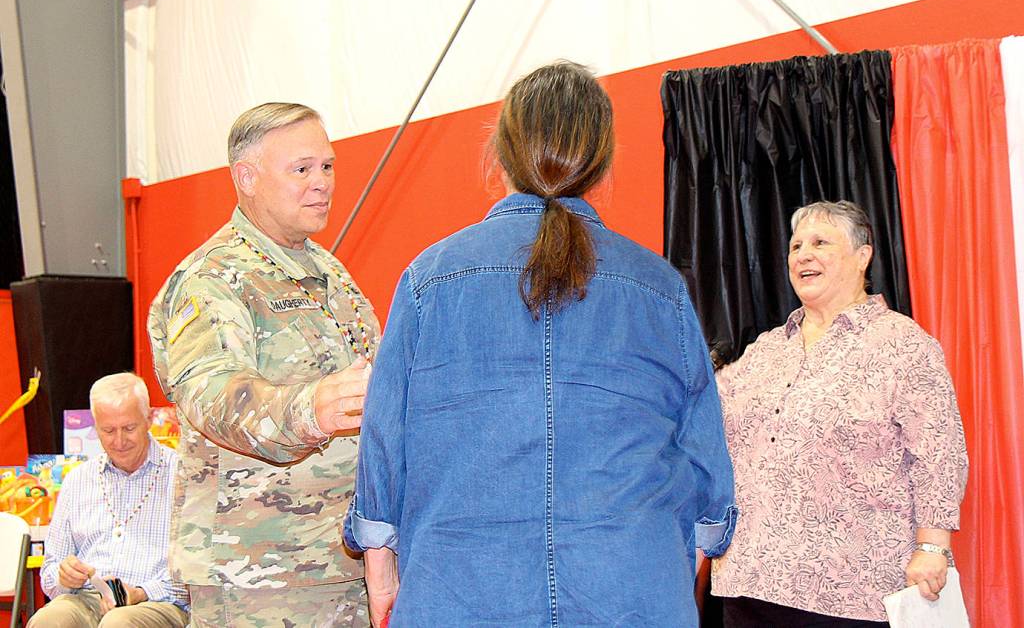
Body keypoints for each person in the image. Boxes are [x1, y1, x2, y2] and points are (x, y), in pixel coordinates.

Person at [344, 61, 737, 627]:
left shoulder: (430, 279)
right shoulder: (660, 290)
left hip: (462, 593)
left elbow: (384, 445)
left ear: (500, 155)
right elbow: (705, 474)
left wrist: (381, 573)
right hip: (628, 591)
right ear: (600, 162)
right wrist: (663, 570)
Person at [147, 103, 379, 627]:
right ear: (246, 177)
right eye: (302, 169)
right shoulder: (213, 278)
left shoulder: (332, 274)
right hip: (255, 573)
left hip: (340, 560)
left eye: (328, 166)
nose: (322, 183)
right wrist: (309, 408)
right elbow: (209, 391)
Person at [713, 200, 969, 626]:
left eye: (820, 243)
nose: (803, 255)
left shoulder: (903, 344)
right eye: (795, 247)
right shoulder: (767, 349)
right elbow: (710, 417)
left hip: (853, 589)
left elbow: (938, 451)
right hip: (750, 580)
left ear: (862, 255)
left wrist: (933, 546)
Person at [30, 373, 188, 628]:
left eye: (129, 428)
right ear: (95, 426)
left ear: (148, 419)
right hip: (87, 598)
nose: (119, 441)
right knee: (49, 620)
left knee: (118, 623)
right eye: (108, 430)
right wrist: (64, 577)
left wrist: (141, 592)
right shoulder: (77, 480)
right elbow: (49, 573)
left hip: (156, 603)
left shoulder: (184, 476)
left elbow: (199, 575)